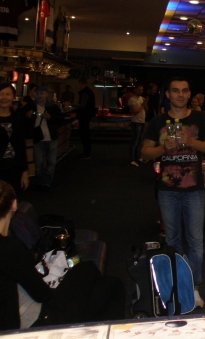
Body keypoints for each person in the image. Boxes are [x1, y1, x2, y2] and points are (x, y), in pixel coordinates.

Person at [0, 180, 126, 330]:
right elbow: (42, 294)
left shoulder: (9, 247)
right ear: (14, 204)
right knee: (109, 283)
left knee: (95, 278)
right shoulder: (9, 248)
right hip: (38, 321)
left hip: (28, 313)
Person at [141, 77, 205, 309]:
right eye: (175, 91)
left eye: (184, 91)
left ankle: (193, 287)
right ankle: (176, 284)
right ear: (168, 94)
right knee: (173, 240)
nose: (180, 95)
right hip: (168, 191)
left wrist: (191, 141)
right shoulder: (158, 121)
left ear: (189, 94)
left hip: (193, 190)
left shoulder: (200, 118)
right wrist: (162, 148)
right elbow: (145, 152)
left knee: (195, 242)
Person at [22, 87, 66, 191]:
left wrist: (51, 118)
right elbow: (20, 118)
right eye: (38, 93)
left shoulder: (53, 107)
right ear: (35, 94)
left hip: (51, 138)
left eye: (42, 93)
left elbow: (61, 119)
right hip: (38, 138)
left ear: (46, 94)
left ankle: (47, 183)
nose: (40, 95)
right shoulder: (30, 107)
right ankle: (40, 182)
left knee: (51, 163)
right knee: (39, 163)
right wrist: (27, 115)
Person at [0, 83, 28, 194]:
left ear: (13, 97)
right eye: (1, 94)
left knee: (11, 199)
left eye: (8, 94)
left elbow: (21, 146)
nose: (4, 97)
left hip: (14, 167)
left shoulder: (18, 117)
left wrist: (24, 172)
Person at [74, 78, 95, 159]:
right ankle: (87, 152)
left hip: (84, 115)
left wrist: (72, 105)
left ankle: (86, 153)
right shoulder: (89, 92)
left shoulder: (85, 93)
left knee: (84, 134)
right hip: (87, 115)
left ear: (81, 84)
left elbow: (82, 105)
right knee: (85, 134)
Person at [128, 83, 146, 166]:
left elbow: (146, 109)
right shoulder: (132, 99)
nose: (141, 91)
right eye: (139, 90)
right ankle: (132, 159)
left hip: (142, 121)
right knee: (135, 141)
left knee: (140, 141)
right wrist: (143, 104)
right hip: (136, 122)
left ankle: (137, 157)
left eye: (142, 90)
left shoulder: (142, 98)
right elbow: (134, 111)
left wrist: (145, 103)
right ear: (135, 90)